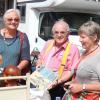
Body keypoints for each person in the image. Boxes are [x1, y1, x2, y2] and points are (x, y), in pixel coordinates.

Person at [36, 19, 80, 100]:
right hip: (41, 83)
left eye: (62, 32)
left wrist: (58, 81)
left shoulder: (73, 49)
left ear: (68, 34)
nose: (59, 35)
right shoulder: (48, 43)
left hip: (59, 87)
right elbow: (40, 58)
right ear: (53, 34)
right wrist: (38, 65)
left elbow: (72, 70)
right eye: (56, 32)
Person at [63, 21, 100, 100]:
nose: (79, 40)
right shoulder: (85, 52)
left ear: (94, 37)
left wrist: (82, 87)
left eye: (83, 37)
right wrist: (74, 83)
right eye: (80, 37)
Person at [0, 9, 30, 75]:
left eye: (16, 20)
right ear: (4, 21)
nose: (13, 22)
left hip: (12, 79)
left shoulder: (23, 37)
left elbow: (26, 59)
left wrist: (14, 71)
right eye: (10, 19)